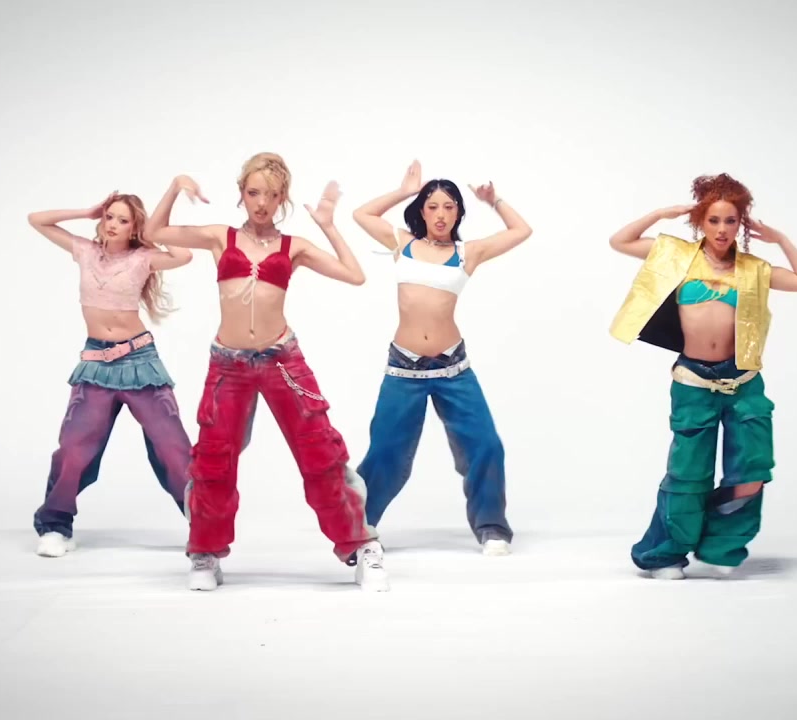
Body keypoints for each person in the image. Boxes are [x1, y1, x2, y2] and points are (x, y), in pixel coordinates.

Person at [143, 152, 389, 592]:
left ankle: (360, 545)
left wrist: (328, 225)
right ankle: (204, 552)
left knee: (320, 453)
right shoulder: (220, 237)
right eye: (253, 192)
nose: (261, 202)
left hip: (282, 361)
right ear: (242, 193)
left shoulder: (295, 247)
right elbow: (153, 233)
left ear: (281, 199)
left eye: (271, 195)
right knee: (214, 461)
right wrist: (177, 185)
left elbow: (355, 275)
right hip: (228, 364)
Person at [607, 173, 797, 579]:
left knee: (752, 472)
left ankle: (719, 546)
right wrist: (661, 213)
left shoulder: (755, 269)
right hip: (693, 382)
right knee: (689, 473)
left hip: (743, 382)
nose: (723, 229)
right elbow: (620, 241)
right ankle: (665, 554)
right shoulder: (674, 256)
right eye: (714, 220)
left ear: (742, 224)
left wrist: (780, 239)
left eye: (731, 221)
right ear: (700, 221)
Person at [350, 160, 533, 556]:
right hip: (404, 368)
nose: (440, 214)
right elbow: (361, 214)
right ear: (421, 210)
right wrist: (404, 190)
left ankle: (492, 527)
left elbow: (522, 231)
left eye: (449, 207)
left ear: (458, 213)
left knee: (486, 445)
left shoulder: (468, 252)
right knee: (385, 452)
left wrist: (494, 200)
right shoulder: (402, 243)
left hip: (453, 368)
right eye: (432, 206)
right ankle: (357, 526)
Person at [27, 192, 196, 558]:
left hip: (139, 362)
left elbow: (184, 255)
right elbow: (36, 219)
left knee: (172, 446)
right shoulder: (85, 251)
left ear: (134, 228)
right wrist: (86, 210)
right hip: (95, 364)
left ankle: (203, 522)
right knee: (73, 448)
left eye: (123, 219)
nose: (113, 224)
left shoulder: (143, 258)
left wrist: (154, 229)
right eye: (109, 217)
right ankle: (55, 525)